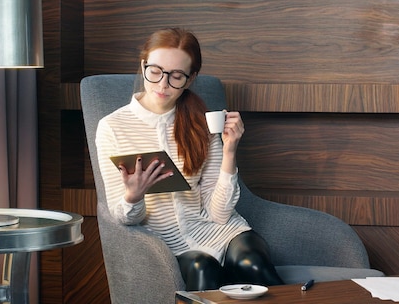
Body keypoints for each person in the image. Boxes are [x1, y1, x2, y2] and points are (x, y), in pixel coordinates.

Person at [95, 27, 284, 291]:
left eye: (176, 76)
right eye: (155, 71)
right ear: (143, 65)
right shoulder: (112, 127)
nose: (162, 84)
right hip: (167, 242)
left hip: (222, 232)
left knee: (252, 264)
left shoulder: (201, 122)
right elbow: (122, 217)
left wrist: (229, 151)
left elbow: (220, 214)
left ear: (190, 78)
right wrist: (134, 196)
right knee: (202, 268)